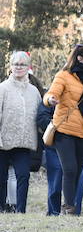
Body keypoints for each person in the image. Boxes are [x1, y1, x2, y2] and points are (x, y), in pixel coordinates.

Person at [44, 44, 83, 215]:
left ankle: (70, 206)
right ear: (80, 58)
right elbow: (51, 94)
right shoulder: (64, 76)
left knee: (78, 171)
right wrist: (51, 100)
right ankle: (69, 208)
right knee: (69, 169)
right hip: (64, 130)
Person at [0, 52, 43, 212]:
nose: (19, 67)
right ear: (10, 67)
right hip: (3, 142)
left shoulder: (34, 92)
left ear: (28, 67)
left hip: (24, 143)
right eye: (15, 64)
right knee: (1, 178)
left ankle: (21, 210)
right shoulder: (2, 88)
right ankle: (2, 208)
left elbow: (39, 116)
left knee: (23, 176)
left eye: (22, 64)